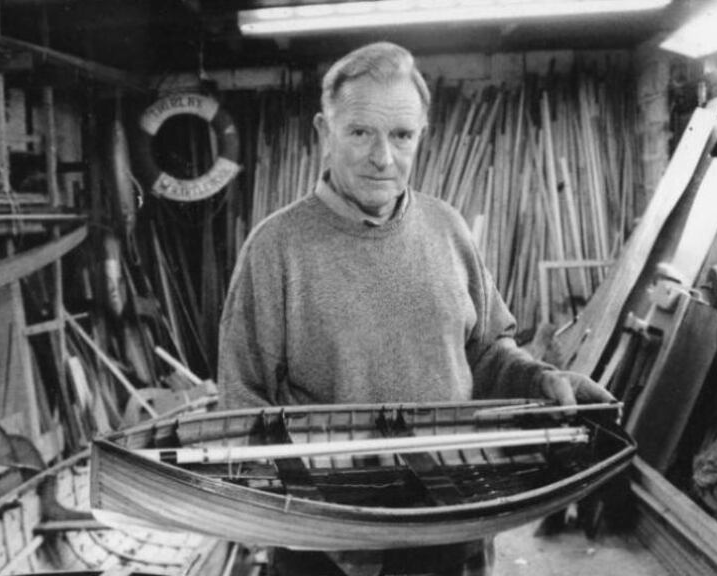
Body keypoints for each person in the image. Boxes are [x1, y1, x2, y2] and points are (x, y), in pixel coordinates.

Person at [216, 41, 612, 576]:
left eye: (402, 135)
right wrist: (309, 518)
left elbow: (486, 353)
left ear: (420, 136)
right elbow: (241, 407)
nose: (384, 157)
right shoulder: (275, 249)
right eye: (360, 133)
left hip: (454, 528)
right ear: (322, 135)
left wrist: (539, 381)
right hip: (327, 552)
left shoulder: (448, 229)